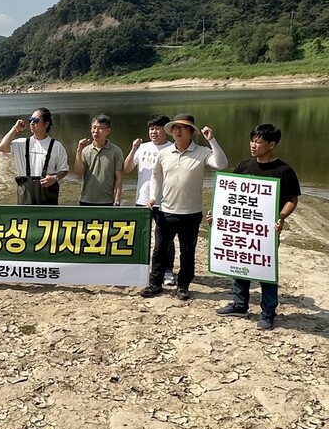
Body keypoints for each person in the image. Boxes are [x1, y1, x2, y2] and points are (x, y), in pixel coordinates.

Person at [214, 123, 301, 331]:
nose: (253, 145)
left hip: (267, 231)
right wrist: (216, 215)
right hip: (243, 229)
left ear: (271, 144)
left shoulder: (283, 170)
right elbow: (230, 197)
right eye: (252, 140)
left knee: (265, 270)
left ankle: (268, 311)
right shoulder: (244, 166)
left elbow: (292, 200)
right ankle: (240, 304)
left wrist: (280, 217)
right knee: (240, 263)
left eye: (258, 142)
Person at [141, 113, 228, 300]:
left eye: (182, 128)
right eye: (174, 128)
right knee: (159, 250)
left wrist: (212, 140)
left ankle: (183, 286)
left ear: (191, 132)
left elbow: (222, 164)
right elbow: (156, 176)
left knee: (187, 251)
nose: (177, 131)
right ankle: (155, 283)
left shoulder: (202, 152)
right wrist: (154, 197)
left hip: (191, 212)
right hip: (166, 210)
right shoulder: (163, 154)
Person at [124, 114, 176, 286]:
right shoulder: (142, 147)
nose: (153, 132)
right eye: (151, 128)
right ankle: (142, 269)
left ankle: (167, 271)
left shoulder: (172, 148)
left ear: (166, 130)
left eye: (157, 128)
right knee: (141, 237)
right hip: (143, 199)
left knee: (165, 238)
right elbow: (127, 168)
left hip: (165, 201)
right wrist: (133, 149)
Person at [0, 107, 69, 205]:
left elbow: (64, 169)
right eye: (30, 120)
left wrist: (54, 178)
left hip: (47, 194)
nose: (32, 123)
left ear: (46, 124)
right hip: (26, 194)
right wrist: (15, 129)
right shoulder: (21, 143)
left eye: (35, 120)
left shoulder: (57, 146)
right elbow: (2, 147)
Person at [74, 114, 124, 206]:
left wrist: (117, 199)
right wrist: (79, 150)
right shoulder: (85, 150)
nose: (96, 131)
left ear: (108, 130)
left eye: (100, 128)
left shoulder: (115, 151)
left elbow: (119, 178)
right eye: (94, 127)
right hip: (86, 199)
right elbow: (78, 171)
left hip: (107, 200)